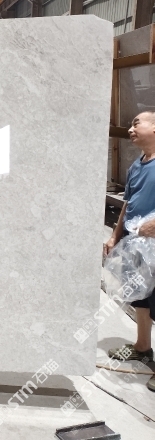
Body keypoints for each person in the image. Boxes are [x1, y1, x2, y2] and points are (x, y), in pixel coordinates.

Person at [105, 111, 155, 392]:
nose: (130, 129)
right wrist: (115, 235)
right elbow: (128, 202)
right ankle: (143, 346)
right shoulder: (137, 165)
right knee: (140, 297)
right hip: (136, 242)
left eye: (137, 123)